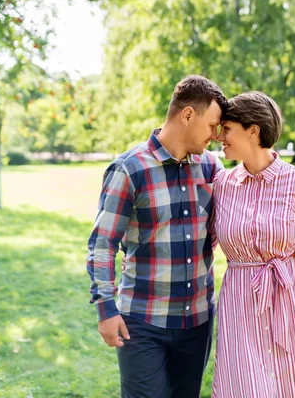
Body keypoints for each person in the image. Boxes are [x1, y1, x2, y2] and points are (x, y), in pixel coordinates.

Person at [85, 75, 226, 398]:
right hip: (143, 322)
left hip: (198, 321)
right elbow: (103, 244)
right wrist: (105, 307)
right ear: (188, 115)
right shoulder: (129, 169)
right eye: (212, 126)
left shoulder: (211, 168)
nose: (216, 136)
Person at [211, 92, 295, 397]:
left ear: (253, 130)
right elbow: (204, 243)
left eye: (227, 128)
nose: (220, 136)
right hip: (239, 307)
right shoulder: (221, 185)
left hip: (291, 303)